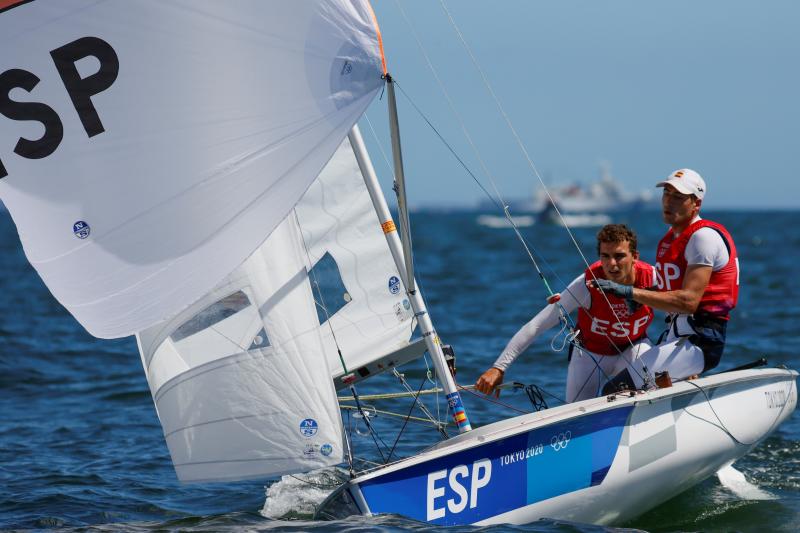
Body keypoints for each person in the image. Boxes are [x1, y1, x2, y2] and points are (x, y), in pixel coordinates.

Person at [592, 169, 738, 390]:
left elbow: (688, 302)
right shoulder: (670, 240)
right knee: (643, 387)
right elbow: (670, 289)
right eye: (667, 194)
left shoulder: (702, 237)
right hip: (676, 335)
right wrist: (644, 296)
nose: (669, 202)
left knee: (615, 389)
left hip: (701, 340)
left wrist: (630, 292)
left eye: (678, 197)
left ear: (696, 204)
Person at [475, 224, 655, 402]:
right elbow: (536, 325)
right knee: (577, 411)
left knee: (652, 372)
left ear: (635, 257)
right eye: (605, 256)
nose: (612, 264)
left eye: (619, 256)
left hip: (634, 349)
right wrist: (498, 367)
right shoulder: (586, 285)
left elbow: (680, 307)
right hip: (590, 355)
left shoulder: (653, 278)